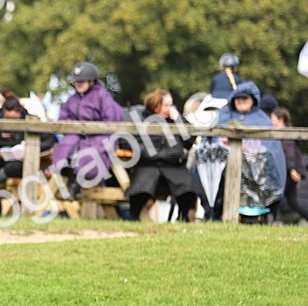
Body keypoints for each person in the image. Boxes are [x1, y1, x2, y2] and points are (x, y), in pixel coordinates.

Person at [49, 61, 125, 197]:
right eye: (77, 81)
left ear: (91, 81)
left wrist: (90, 129)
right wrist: (77, 127)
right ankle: (65, 171)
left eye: (82, 81)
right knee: (66, 143)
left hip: (100, 136)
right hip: (79, 136)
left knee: (91, 151)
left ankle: (78, 181)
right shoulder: (71, 99)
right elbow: (63, 119)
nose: (78, 83)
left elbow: (110, 120)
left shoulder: (103, 97)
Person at [125, 90, 201, 222]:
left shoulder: (176, 121)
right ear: (155, 105)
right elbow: (131, 143)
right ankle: (133, 217)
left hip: (173, 165)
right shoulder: (140, 119)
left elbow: (189, 141)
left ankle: (183, 218)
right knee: (141, 187)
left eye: (171, 105)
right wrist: (148, 153)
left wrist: (178, 119)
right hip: (148, 164)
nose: (169, 109)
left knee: (187, 186)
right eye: (166, 105)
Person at [214, 81, 286, 220]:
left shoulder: (262, 119)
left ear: (252, 100)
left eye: (244, 98)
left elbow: (272, 150)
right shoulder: (224, 115)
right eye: (238, 98)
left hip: (257, 174)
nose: (241, 101)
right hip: (226, 168)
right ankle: (216, 210)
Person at [271, 107, 308, 225]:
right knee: (292, 201)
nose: (271, 122)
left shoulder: (285, 134)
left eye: (273, 119)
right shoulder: (286, 133)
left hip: (288, 172)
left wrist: (291, 169)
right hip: (290, 171)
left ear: (281, 120)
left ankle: (275, 220)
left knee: (277, 197)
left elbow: (289, 153)